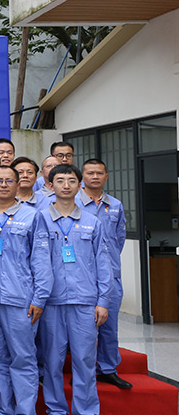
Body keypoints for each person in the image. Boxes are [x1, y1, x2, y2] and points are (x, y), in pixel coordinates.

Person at [37, 164, 112, 415]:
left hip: (84, 301)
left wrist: (103, 300)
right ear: (50, 185)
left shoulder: (93, 222)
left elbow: (103, 263)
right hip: (51, 302)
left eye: (71, 180)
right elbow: (34, 263)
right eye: (60, 180)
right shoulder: (40, 219)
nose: (66, 185)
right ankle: (56, 414)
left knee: (84, 359)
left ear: (80, 185)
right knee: (52, 360)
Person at [0, 165, 51, 415]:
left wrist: (39, 297)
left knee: (23, 358)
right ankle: (4, 413)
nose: (4, 185)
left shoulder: (32, 216)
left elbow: (41, 261)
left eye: (9, 180)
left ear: (18, 184)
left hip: (21, 300)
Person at [78, 158, 131, 390]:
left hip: (110, 275)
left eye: (99, 173)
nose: (95, 177)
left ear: (106, 177)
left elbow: (119, 239)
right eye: (90, 173)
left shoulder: (115, 205)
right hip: (82, 276)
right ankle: (84, 372)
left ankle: (108, 369)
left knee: (109, 326)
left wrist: (108, 264)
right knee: (85, 329)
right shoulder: (73, 203)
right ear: (83, 177)